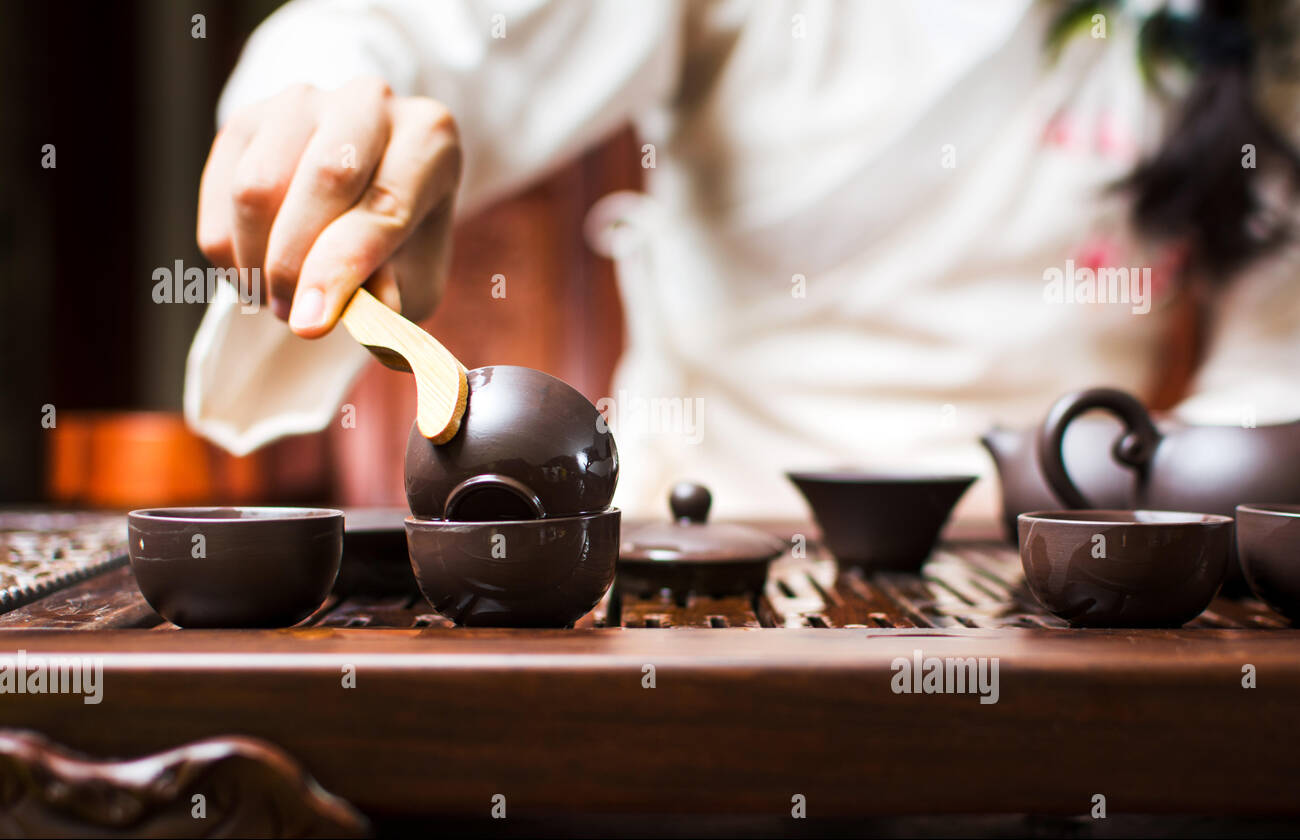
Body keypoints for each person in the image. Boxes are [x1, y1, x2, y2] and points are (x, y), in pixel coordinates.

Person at [186, 0, 1300, 522]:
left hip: (1071, 564)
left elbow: (1271, 381)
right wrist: (332, 107)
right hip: (714, 550)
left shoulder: (1252, 35)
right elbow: (428, 29)